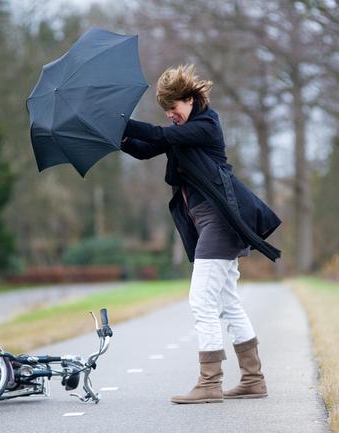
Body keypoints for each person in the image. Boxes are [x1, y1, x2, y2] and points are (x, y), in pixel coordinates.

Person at [120, 64, 281, 404]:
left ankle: (210, 383)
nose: (170, 114)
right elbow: (145, 147)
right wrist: (115, 136)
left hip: (219, 222)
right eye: (166, 110)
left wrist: (119, 120)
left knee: (201, 301)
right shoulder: (183, 129)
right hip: (208, 221)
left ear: (190, 99)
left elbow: (159, 136)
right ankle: (253, 379)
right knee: (226, 302)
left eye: (174, 108)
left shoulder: (206, 125)